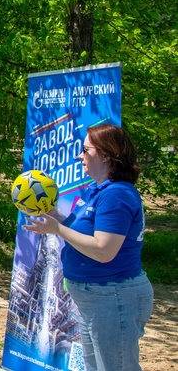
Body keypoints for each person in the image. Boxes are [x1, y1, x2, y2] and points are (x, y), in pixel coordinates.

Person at [24, 124, 153, 371]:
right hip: (95, 299)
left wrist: (57, 229)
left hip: (113, 297)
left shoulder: (117, 195)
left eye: (85, 149)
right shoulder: (97, 190)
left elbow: (104, 250)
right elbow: (83, 233)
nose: (79, 155)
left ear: (106, 155)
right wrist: (56, 216)